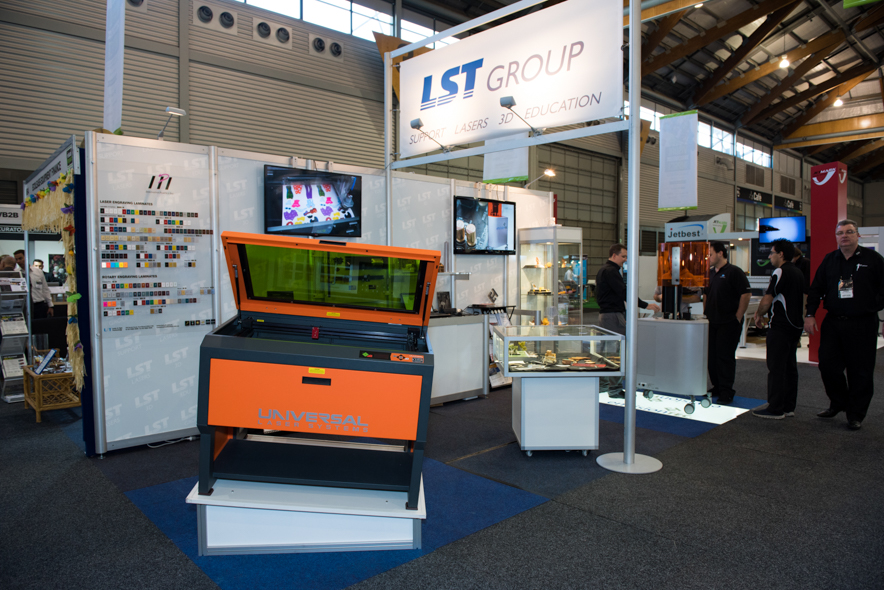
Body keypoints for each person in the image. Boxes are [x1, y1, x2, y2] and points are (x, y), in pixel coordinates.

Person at [805, 220, 884, 431]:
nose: (844, 236)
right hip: (834, 322)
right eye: (840, 233)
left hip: (863, 323)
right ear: (836, 237)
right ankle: (839, 402)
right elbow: (816, 289)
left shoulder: (873, 260)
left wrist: (875, 308)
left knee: (860, 371)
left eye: (849, 232)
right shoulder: (830, 260)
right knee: (827, 365)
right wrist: (810, 314)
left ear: (858, 235)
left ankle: (855, 414)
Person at [595, 243, 660, 398]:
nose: (625, 259)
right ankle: (614, 388)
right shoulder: (611, 271)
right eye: (623, 256)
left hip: (606, 315)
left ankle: (603, 385)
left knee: (605, 351)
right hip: (613, 316)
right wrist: (645, 305)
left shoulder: (603, 270)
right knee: (616, 351)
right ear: (614, 255)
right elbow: (624, 292)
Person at [752, 240, 806, 419]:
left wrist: (759, 314)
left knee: (776, 367)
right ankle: (788, 406)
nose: (769, 257)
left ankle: (775, 408)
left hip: (780, 326)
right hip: (794, 326)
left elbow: (768, 297)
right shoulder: (797, 271)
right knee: (790, 367)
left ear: (781, 254)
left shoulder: (780, 271)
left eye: (772, 253)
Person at [705, 241, 750, 405]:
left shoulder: (734, 272)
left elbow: (746, 294)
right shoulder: (710, 274)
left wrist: (738, 316)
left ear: (720, 253)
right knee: (712, 357)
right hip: (712, 321)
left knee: (724, 357)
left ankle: (726, 391)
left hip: (728, 322)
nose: (708, 257)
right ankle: (717, 386)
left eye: (710, 254)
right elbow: (706, 295)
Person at [14, 249, 54, 319]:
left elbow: (45, 289)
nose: (18, 261)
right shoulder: (15, 273)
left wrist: (50, 305)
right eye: (16, 259)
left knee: (40, 324)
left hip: (39, 305)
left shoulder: (38, 272)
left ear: (26, 257)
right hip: (23, 305)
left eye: (20, 258)